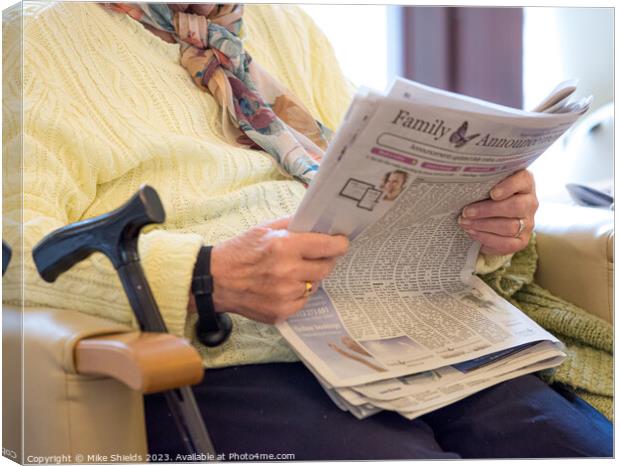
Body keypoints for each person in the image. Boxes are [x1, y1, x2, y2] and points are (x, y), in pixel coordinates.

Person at [5, 2, 611, 460]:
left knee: (575, 445)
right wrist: (201, 275)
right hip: (230, 357)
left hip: (401, 332)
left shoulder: (283, 23)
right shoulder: (31, 39)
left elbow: (370, 183)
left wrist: (479, 221)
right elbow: (11, 251)